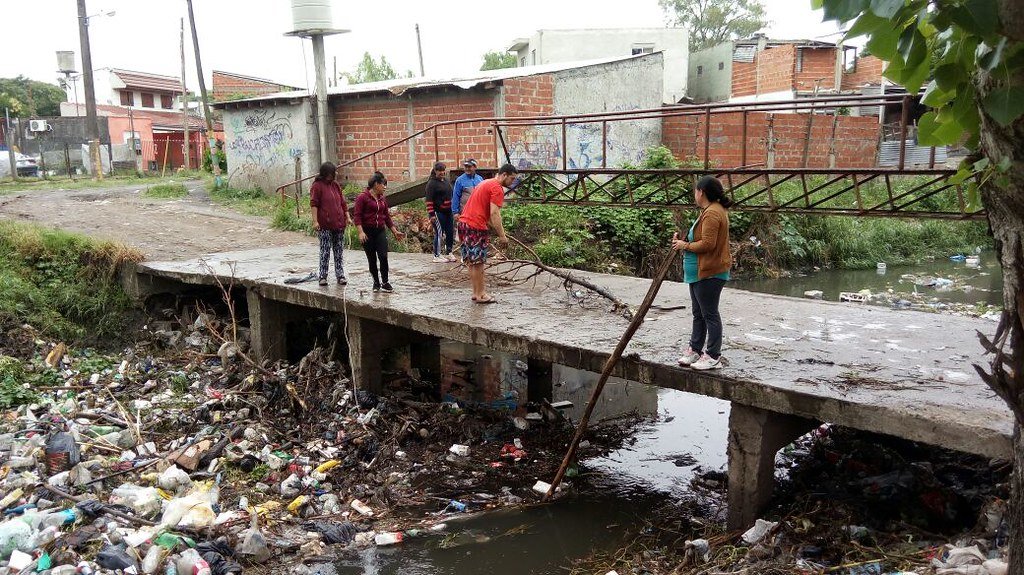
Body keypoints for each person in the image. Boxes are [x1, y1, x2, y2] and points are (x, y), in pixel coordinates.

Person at [672, 175, 733, 371]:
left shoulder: (713, 213)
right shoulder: (708, 211)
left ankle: (713, 355)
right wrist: (683, 241)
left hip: (710, 273)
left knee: (709, 314)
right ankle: (696, 349)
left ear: (702, 192)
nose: (694, 194)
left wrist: (685, 245)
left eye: (695, 191)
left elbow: (708, 244)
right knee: (699, 313)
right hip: (699, 273)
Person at [458, 163, 517, 303]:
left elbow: (488, 215)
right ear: (504, 175)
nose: (512, 182)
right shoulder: (497, 188)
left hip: (464, 224)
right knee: (478, 263)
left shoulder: (485, 182)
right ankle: (481, 294)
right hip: (475, 227)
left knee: (471, 262)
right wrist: (502, 236)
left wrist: (496, 230)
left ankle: (475, 293)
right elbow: (494, 213)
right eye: (512, 178)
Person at [353, 172, 405, 292]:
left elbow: (386, 216)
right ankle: (376, 282)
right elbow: (357, 216)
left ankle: (385, 282)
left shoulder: (382, 198)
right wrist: (360, 232)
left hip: (380, 231)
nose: (385, 187)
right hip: (367, 232)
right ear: (376, 184)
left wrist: (394, 231)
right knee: (372, 258)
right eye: (383, 185)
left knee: (383, 256)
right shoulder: (362, 197)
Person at [309, 162, 348, 287]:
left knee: (338, 250)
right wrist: (315, 221)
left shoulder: (335, 185)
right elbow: (314, 204)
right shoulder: (317, 186)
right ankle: (323, 276)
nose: (335, 174)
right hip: (325, 225)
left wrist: (347, 216)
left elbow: (342, 203)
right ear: (327, 173)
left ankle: (340, 275)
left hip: (339, 224)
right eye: (333, 172)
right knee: (325, 251)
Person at [425, 161, 456, 263]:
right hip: (438, 213)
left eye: (443, 170)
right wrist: (431, 214)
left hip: (448, 211)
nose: (442, 172)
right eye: (439, 171)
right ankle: (437, 255)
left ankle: (449, 252)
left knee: (450, 232)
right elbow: (429, 200)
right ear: (435, 171)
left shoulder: (446, 181)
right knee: (439, 233)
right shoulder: (431, 183)